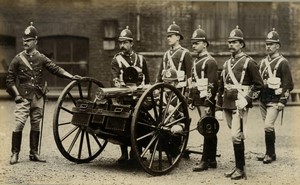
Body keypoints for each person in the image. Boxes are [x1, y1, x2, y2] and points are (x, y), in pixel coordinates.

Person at [6, 22, 82, 165]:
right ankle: (15, 153)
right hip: (23, 97)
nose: (25, 43)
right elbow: (9, 80)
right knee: (19, 124)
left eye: (28, 40)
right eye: (24, 40)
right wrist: (16, 95)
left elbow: (55, 68)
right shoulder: (17, 59)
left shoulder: (41, 58)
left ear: (36, 41)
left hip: (38, 97)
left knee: (36, 124)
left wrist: (71, 76)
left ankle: (34, 153)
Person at [215, 26, 263, 180]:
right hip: (228, 103)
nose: (231, 45)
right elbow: (221, 87)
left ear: (241, 44)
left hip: (240, 103)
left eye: (235, 42)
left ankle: (240, 169)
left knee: (236, 135)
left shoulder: (249, 62)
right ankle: (238, 166)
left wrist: (248, 99)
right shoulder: (227, 63)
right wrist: (218, 106)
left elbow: (259, 85)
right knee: (236, 134)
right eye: (230, 42)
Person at [111, 26, 150, 163]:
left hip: (139, 98)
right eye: (120, 42)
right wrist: (120, 87)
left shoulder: (140, 59)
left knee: (139, 123)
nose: (122, 45)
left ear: (131, 43)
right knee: (122, 125)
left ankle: (135, 152)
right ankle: (124, 154)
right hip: (124, 97)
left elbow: (147, 80)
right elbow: (115, 78)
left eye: (125, 42)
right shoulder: (117, 60)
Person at [256, 28, 294, 164]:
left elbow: (288, 84)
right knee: (268, 127)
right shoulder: (262, 63)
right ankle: (270, 152)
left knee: (268, 126)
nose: (268, 46)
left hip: (275, 100)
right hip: (263, 100)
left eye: (271, 44)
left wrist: (283, 101)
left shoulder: (283, 62)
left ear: (277, 46)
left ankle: (270, 154)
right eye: (267, 44)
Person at [188, 26, 219, 172]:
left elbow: (212, 84)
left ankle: (205, 160)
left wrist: (208, 102)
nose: (193, 45)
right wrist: (192, 100)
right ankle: (212, 159)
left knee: (206, 127)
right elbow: (193, 82)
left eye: (197, 43)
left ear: (204, 44)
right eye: (193, 43)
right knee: (209, 127)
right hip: (198, 99)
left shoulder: (210, 61)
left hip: (206, 100)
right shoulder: (196, 61)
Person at [156, 21, 192, 91]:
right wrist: (157, 89)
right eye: (168, 36)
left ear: (178, 37)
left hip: (180, 90)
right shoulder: (166, 54)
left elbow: (189, 76)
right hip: (166, 90)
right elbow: (160, 75)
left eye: (171, 36)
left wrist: (189, 91)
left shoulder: (185, 53)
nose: (168, 38)